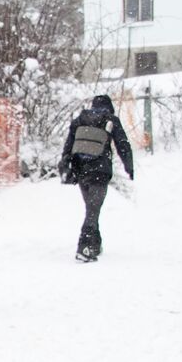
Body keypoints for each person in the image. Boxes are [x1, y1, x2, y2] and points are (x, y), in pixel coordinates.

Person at [59, 94, 134, 262]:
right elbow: (123, 144)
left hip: (81, 170)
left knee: (92, 208)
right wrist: (129, 166)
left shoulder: (79, 120)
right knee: (93, 210)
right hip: (100, 169)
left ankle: (95, 243)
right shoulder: (110, 120)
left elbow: (68, 146)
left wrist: (66, 166)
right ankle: (84, 248)